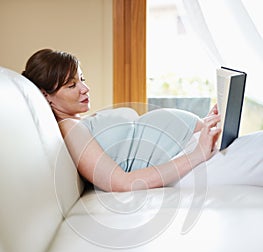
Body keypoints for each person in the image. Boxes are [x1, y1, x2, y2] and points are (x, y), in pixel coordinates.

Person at [22, 48, 263, 191]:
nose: (85, 88)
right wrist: (198, 153)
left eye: (82, 79)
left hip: (197, 151)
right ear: (46, 96)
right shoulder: (69, 129)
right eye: (71, 85)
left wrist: (204, 125)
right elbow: (122, 183)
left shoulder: (80, 121)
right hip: (193, 164)